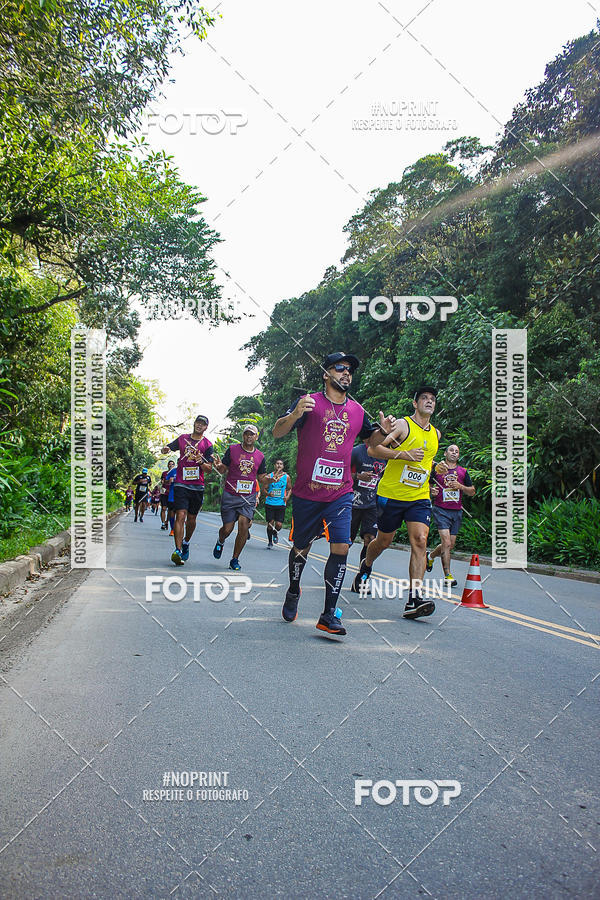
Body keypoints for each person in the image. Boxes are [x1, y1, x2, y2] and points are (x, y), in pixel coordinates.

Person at [273, 352, 396, 636]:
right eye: (340, 368)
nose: (346, 373)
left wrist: (383, 432)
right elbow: (278, 431)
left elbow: (372, 442)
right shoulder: (309, 402)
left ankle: (328, 613)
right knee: (301, 548)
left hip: (341, 493)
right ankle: (294, 589)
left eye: (350, 369)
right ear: (326, 374)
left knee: (341, 547)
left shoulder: (357, 410)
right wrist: (294, 414)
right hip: (307, 494)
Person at [352, 387, 448, 619]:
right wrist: (404, 455)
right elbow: (374, 449)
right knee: (383, 541)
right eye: (424, 398)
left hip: (419, 497)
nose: (429, 401)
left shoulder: (436, 434)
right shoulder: (403, 426)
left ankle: (414, 599)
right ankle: (366, 565)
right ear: (415, 404)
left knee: (420, 541)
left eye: (432, 399)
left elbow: (425, 461)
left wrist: (436, 467)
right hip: (391, 495)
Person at [212, 425, 274, 570]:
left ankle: (235, 559)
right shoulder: (233, 450)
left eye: (252, 434)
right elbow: (223, 469)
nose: (249, 436)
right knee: (227, 529)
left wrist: (270, 480)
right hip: (231, 494)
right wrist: (219, 466)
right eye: (246, 434)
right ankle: (220, 540)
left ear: (256, 437)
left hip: (248, 497)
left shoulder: (260, 456)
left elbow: (261, 478)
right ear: (243, 435)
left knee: (243, 525)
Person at [162, 415, 214, 566]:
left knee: (191, 519)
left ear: (206, 427)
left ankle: (186, 542)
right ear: (194, 423)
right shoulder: (183, 439)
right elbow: (167, 448)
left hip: (197, 486)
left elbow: (209, 469)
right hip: (181, 484)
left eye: (202, 424)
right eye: (198, 422)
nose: (199, 425)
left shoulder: (207, 444)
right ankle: (178, 550)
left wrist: (201, 462)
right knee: (180, 514)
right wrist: (165, 449)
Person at [426, 443, 475, 587]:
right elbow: (427, 484)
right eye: (451, 450)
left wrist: (461, 486)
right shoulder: (437, 469)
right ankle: (448, 575)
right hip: (440, 509)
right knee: (446, 543)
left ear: (458, 455)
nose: (454, 453)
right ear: (445, 453)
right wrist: (431, 490)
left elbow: (472, 491)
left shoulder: (463, 472)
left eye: (456, 451)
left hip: (456, 511)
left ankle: (430, 556)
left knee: (450, 544)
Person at [349, 439, 386, 572]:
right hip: (353, 502)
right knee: (347, 541)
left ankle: (363, 574)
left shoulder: (385, 454)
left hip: (372, 504)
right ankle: (337, 569)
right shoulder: (356, 452)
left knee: (370, 539)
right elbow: (343, 472)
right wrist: (359, 476)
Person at [263, 459, 291, 548]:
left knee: (279, 525)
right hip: (270, 503)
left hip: (281, 503)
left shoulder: (286, 477)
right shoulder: (269, 476)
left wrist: (287, 497)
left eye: (281, 464)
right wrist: (268, 494)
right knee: (270, 524)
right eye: (277, 463)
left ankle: (275, 532)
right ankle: (270, 542)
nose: (279, 465)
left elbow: (289, 488)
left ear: (283, 466)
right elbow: (264, 489)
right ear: (274, 465)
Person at [160, 460, 176, 530]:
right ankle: (163, 523)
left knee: (170, 510)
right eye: (169, 464)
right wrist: (164, 482)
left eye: (172, 464)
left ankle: (167, 521)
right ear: (167, 465)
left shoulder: (177, 472)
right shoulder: (164, 473)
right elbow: (163, 481)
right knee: (163, 508)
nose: (170, 465)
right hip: (164, 492)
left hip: (172, 493)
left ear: (174, 465)